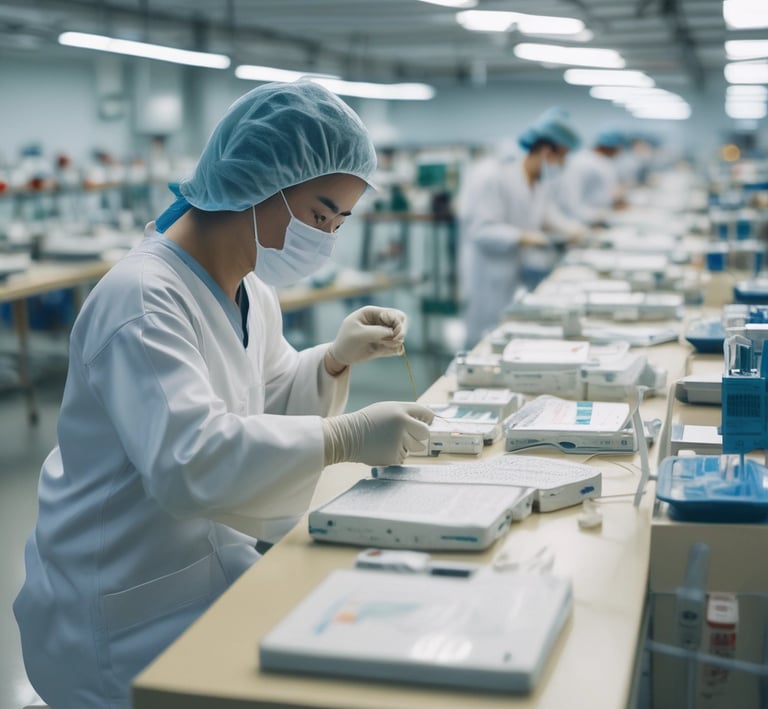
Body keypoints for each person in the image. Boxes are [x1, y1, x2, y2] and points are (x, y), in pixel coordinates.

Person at [13, 80, 434, 709]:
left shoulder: (249, 288)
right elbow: (191, 458)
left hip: (202, 569)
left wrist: (334, 360)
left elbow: (262, 400)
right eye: (320, 215)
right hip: (119, 608)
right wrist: (342, 437)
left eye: (340, 222)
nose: (327, 239)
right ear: (258, 181)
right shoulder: (142, 298)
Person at [457, 107, 583, 348]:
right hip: (488, 272)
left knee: (505, 333)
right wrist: (524, 237)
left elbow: (547, 214)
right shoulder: (492, 175)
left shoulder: (538, 180)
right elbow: (481, 230)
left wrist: (574, 230)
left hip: (514, 269)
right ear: (547, 150)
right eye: (562, 156)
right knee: (480, 339)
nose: (564, 164)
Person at [557, 128, 627, 226]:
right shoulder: (583, 162)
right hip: (583, 220)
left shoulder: (601, 161)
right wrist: (597, 215)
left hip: (595, 216)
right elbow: (571, 203)